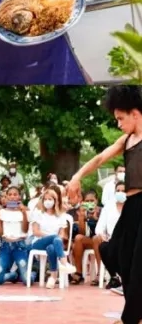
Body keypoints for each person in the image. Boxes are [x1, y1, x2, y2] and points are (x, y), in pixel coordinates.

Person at [67, 86, 142, 324]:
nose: (118, 123)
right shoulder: (127, 139)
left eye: (121, 118)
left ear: (136, 114)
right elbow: (100, 158)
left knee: (139, 262)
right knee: (115, 253)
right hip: (131, 205)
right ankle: (134, 309)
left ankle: (130, 317)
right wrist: (77, 177)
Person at [28, 188, 77, 289]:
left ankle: (53, 276)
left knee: (51, 248)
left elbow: (62, 234)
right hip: (38, 242)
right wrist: (51, 237)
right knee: (54, 238)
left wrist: (55, 239)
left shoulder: (60, 216)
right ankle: (64, 263)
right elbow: (36, 232)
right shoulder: (38, 213)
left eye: (50, 199)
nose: (47, 202)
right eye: (45, 199)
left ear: (55, 201)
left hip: (54, 244)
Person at [0, 186, 31, 285]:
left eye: (15, 194)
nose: (12, 197)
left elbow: (25, 230)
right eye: (10, 195)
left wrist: (24, 213)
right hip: (6, 246)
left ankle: (31, 274)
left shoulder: (24, 211)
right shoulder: (2, 212)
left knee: (27, 280)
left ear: (19, 197)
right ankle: (13, 275)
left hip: (19, 246)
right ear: (6, 197)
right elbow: (0, 234)